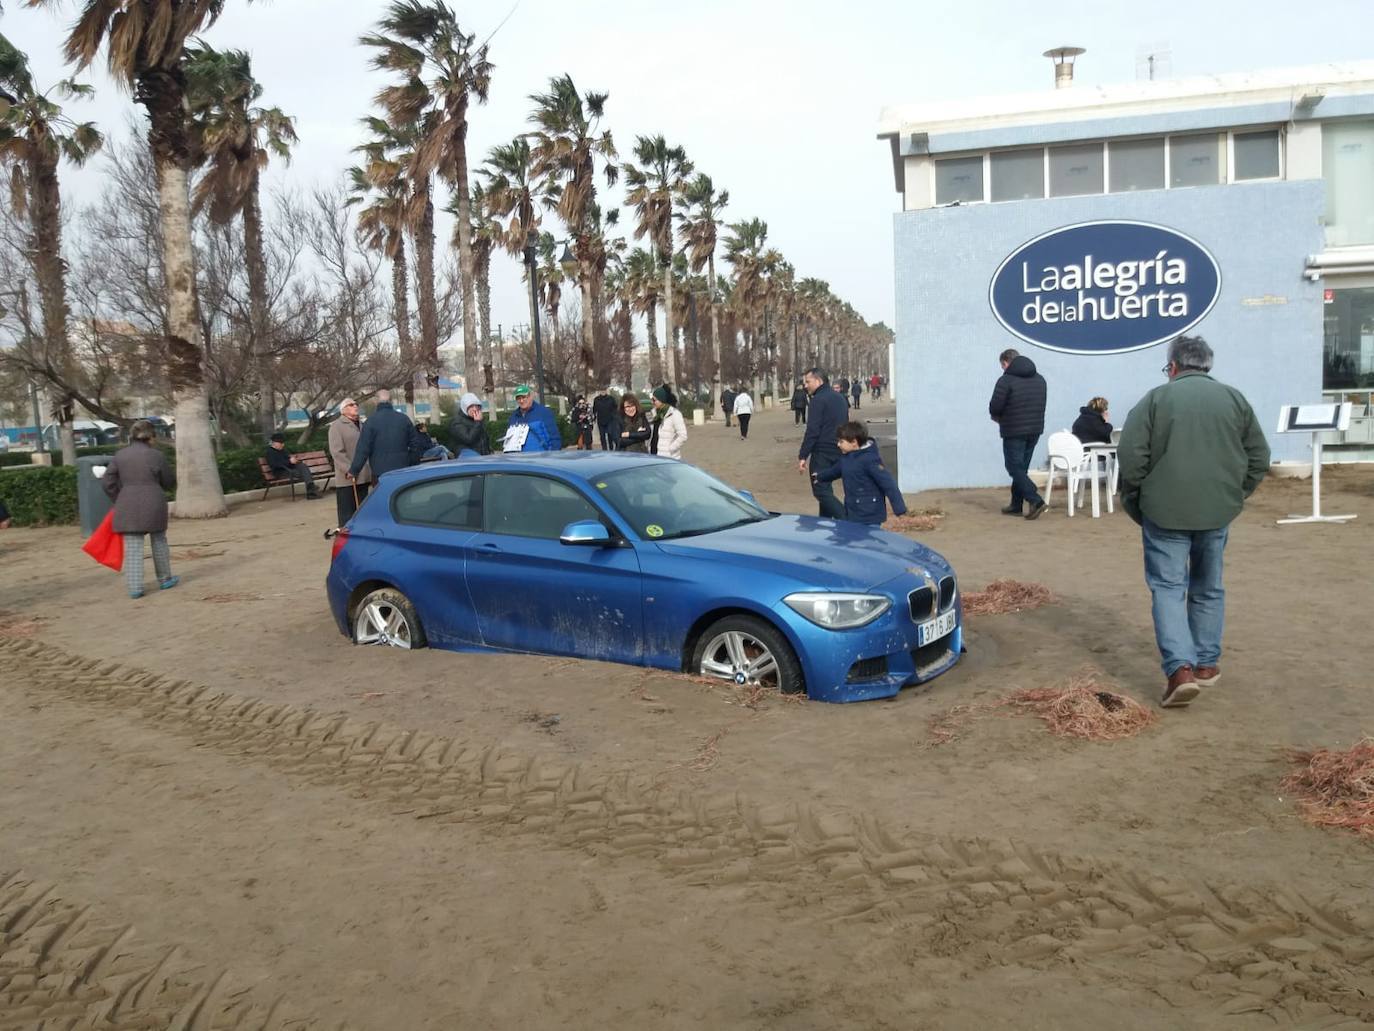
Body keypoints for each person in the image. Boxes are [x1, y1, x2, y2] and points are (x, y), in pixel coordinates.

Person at [1117, 335, 1270, 710]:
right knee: (1209, 586)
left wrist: (1137, 502)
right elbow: (1259, 456)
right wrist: (1236, 495)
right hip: (1217, 510)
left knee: (1169, 588)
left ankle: (1179, 670)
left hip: (1163, 512)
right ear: (1207, 365)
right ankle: (1205, 663)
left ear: (1173, 366)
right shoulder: (1234, 399)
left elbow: (1131, 458)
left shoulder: (1155, 400)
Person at [101, 420, 178, 599]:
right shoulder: (156, 455)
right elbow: (168, 481)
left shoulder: (120, 455)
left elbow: (107, 482)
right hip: (154, 502)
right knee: (159, 540)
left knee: (133, 546)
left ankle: (135, 588)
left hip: (127, 503)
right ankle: (165, 579)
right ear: (151, 437)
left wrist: (119, 497)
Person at [988, 347, 1048, 520]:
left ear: (1006, 362)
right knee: (1021, 468)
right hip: (1035, 429)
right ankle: (1016, 505)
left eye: (1002, 365)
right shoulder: (1040, 379)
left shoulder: (1006, 380)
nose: (1003, 369)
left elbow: (995, 406)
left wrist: (998, 418)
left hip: (1013, 429)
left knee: (1013, 467)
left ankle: (1035, 500)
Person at [813, 421, 906, 526]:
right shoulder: (846, 459)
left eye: (841, 441)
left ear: (854, 442)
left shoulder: (870, 460)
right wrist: (820, 477)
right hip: (853, 511)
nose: (838, 445)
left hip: (870, 514)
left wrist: (899, 509)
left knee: (869, 536)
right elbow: (834, 471)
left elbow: (888, 484)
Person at [797, 368, 848, 520]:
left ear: (818, 381)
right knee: (825, 490)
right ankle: (824, 523)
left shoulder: (817, 400)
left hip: (822, 452)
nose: (805, 385)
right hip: (840, 448)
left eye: (808, 382)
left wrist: (803, 455)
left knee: (820, 490)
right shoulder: (840, 398)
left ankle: (847, 520)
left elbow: (813, 430)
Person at [350, 388, 423, 482]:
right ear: (391, 401)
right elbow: (415, 444)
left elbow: (363, 448)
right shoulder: (404, 419)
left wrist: (354, 470)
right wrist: (412, 462)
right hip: (403, 468)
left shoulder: (370, 421)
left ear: (376, 401)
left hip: (380, 470)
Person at [328, 397, 371, 524]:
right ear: (343, 410)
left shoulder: (362, 424)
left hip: (364, 473)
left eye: (356, 404)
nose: (355, 406)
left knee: (363, 506)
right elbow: (337, 452)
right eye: (351, 405)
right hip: (348, 477)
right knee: (348, 510)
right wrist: (349, 469)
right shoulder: (337, 426)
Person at [265, 432, 323, 499]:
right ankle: (311, 489)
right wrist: (289, 461)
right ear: (274, 443)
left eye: (283, 443)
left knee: (302, 466)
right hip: (281, 472)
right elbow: (275, 465)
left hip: (289, 470)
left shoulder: (282, 451)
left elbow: (288, 460)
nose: (283, 445)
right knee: (302, 473)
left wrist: (294, 461)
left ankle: (311, 489)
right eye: (281, 443)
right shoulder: (270, 452)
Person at [503, 384, 561, 452]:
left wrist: (553, 455)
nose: (521, 401)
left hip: (541, 457)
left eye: (524, 397)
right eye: (518, 398)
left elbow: (554, 439)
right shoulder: (513, 416)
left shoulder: (544, 413)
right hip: (518, 457)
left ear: (531, 397)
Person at [649, 385, 688, 459]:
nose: (652, 402)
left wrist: (670, 449)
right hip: (654, 455)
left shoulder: (674, 414)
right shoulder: (654, 413)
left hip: (669, 457)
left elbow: (683, 435)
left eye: (654, 400)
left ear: (661, 400)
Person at [448, 392, 492, 457]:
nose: (475, 409)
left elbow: (484, 439)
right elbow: (468, 439)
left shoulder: (477, 419)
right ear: (465, 407)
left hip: (483, 457)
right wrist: (478, 422)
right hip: (467, 458)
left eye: (477, 406)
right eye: (471, 406)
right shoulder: (456, 422)